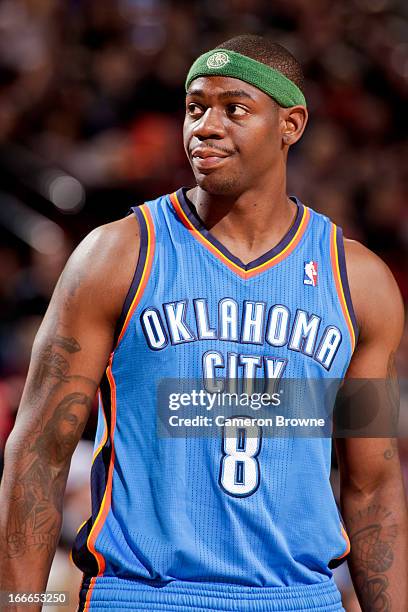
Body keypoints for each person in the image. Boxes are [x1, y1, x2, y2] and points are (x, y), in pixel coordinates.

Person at [0, 34, 407, 612]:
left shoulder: (358, 281)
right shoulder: (116, 255)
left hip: (300, 598)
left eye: (234, 109)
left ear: (291, 125)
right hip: (141, 595)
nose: (205, 126)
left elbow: (372, 487)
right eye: (195, 108)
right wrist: (19, 603)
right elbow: (40, 449)